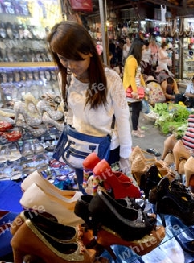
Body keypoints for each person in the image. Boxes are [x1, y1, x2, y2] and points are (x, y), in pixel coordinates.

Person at [47, 21, 132, 190]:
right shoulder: (65, 77)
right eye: (64, 59)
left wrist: (125, 155)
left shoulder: (110, 79)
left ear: (90, 52)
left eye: (76, 59)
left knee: (108, 199)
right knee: (86, 194)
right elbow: (69, 112)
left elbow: (122, 117)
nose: (70, 65)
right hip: (79, 150)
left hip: (106, 151)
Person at [123, 41, 146, 138]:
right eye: (143, 49)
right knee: (136, 109)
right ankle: (135, 130)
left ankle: (136, 127)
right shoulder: (131, 60)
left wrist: (143, 85)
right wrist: (135, 91)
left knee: (138, 108)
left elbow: (139, 75)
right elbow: (131, 77)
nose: (144, 51)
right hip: (133, 89)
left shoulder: (135, 59)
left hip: (137, 87)